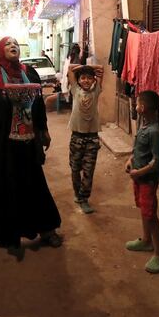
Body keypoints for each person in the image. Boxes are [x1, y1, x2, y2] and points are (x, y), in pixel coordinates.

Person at [0, 37, 62, 251]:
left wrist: (43, 130)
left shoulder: (29, 72)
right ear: (1, 50)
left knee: (34, 183)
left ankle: (47, 229)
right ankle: (7, 235)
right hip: (0, 143)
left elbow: (38, 107)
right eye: (7, 44)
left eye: (15, 43)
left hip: (27, 140)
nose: (12, 46)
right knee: (4, 187)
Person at [124, 90, 159, 274]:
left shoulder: (155, 132)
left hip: (147, 180)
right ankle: (146, 240)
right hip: (138, 177)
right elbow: (138, 149)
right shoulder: (144, 125)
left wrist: (139, 172)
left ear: (142, 107)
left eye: (137, 103)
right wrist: (130, 160)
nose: (135, 106)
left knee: (150, 214)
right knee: (143, 209)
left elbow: (157, 162)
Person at [66, 64, 104, 214]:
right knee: (75, 169)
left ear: (94, 80)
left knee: (89, 170)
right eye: (83, 77)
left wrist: (93, 69)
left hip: (92, 139)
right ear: (78, 80)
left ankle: (84, 199)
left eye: (89, 78)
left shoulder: (96, 91)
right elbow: (70, 68)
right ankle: (77, 193)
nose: (86, 80)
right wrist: (84, 67)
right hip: (76, 137)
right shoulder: (75, 90)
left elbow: (101, 69)